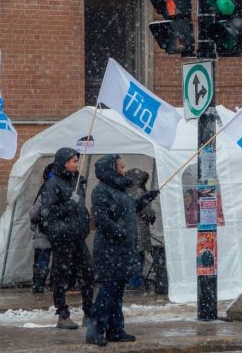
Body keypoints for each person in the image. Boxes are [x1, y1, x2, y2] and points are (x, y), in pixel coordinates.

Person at [86, 155, 160, 345]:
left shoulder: (121, 189)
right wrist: (122, 232)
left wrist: (144, 199)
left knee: (117, 292)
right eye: (120, 167)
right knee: (107, 292)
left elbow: (129, 208)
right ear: (111, 168)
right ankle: (95, 331)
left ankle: (115, 330)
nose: (123, 170)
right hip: (109, 250)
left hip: (122, 250)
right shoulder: (101, 190)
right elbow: (102, 219)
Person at [39, 147, 93, 329]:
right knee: (61, 276)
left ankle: (89, 312)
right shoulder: (52, 184)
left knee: (87, 272)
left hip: (77, 236)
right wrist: (70, 204)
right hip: (62, 237)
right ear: (64, 163)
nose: (77, 164)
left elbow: (80, 208)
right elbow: (48, 213)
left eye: (77, 161)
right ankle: (62, 314)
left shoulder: (75, 181)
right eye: (74, 161)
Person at [125, 168, 156, 290]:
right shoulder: (139, 191)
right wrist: (151, 215)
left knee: (134, 255)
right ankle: (135, 281)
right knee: (138, 255)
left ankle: (132, 280)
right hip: (139, 228)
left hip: (131, 228)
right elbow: (145, 209)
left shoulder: (128, 191)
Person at [28, 163, 54, 293]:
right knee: (57, 261)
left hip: (43, 231)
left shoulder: (45, 190)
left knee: (41, 260)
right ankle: (55, 285)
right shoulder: (67, 188)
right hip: (59, 231)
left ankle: (38, 284)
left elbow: (33, 213)